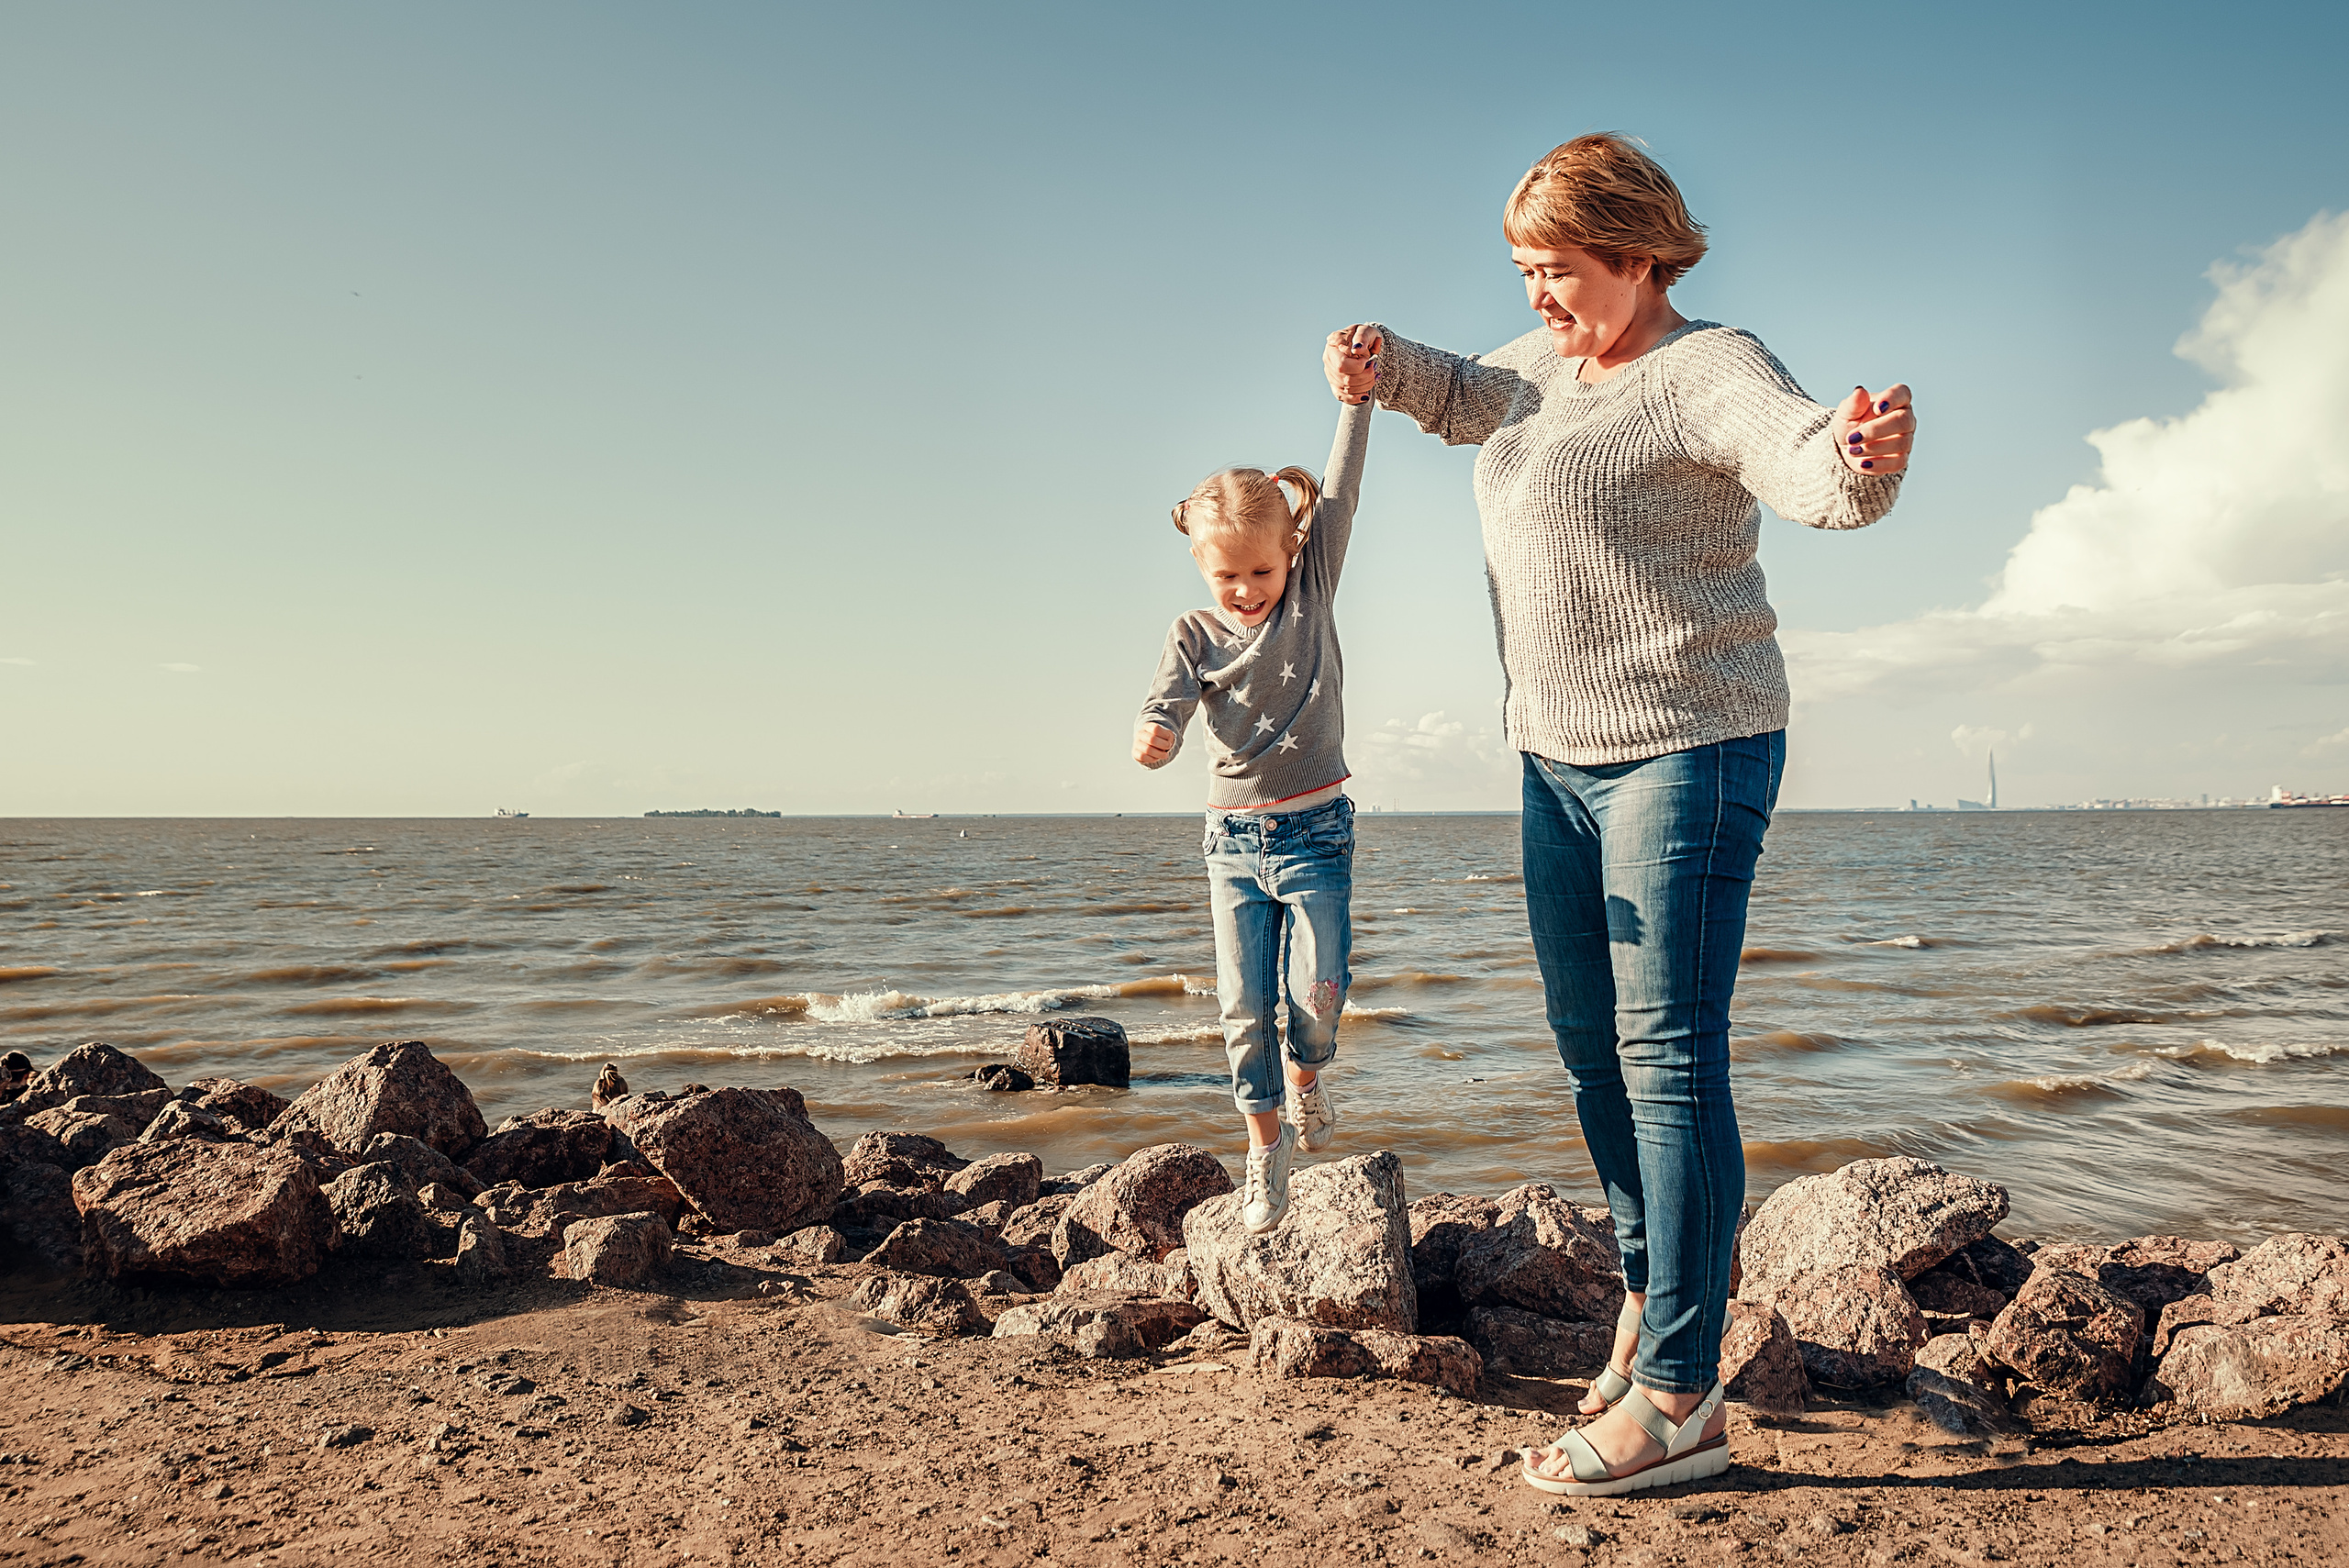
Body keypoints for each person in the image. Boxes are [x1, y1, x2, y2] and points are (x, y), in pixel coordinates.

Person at [1322, 133, 1914, 1496]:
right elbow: (1462, 389)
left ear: (1639, 252)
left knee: (1667, 1053)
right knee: (1593, 1052)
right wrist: (1382, 359)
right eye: (1521, 269)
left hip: (1690, 749)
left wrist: (1867, 453)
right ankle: (1657, 1299)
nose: (1535, 293)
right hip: (1552, 758)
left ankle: (1682, 1396)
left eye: (1557, 268)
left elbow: (1813, 465)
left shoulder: (1710, 369)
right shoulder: (1536, 369)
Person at [1132, 396, 1374, 1234]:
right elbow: (1165, 700)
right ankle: (1264, 1146)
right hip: (1231, 844)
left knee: (1318, 992)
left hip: (1316, 834)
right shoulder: (1194, 631)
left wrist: (1357, 399)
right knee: (1242, 1008)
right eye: (1225, 575)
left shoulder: (1311, 590)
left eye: (1259, 574)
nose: (1244, 591)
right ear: (1201, 564)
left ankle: (1309, 1075)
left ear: (1291, 555)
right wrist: (1157, 730)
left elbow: (1340, 489)